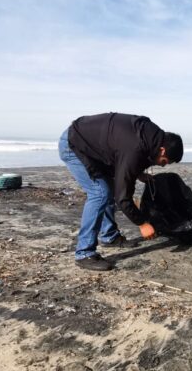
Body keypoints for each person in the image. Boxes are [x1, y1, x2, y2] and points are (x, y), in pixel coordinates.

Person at [58, 113, 183, 271]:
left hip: (93, 145)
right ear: (163, 150)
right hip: (74, 145)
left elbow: (125, 155)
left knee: (107, 189)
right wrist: (142, 223)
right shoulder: (136, 146)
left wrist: (138, 174)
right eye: (165, 162)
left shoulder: (151, 137)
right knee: (100, 193)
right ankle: (84, 253)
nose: (163, 166)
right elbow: (122, 197)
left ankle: (109, 237)